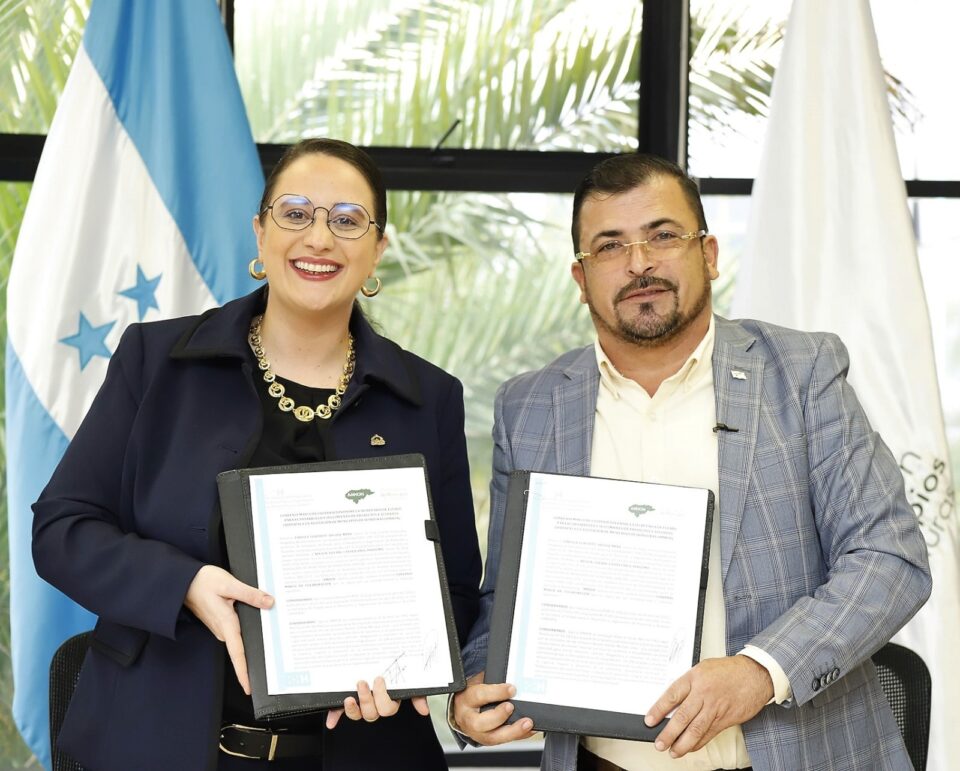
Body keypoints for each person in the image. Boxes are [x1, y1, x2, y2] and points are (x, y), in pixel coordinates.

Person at [451, 153, 931, 771]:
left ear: (708, 253)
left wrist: (760, 671)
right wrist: (472, 689)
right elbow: (505, 599)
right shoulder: (530, 406)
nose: (639, 263)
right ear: (581, 277)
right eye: (610, 246)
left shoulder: (801, 374)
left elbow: (889, 559)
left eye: (663, 236)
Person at [32, 138, 482, 771]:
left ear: (378, 249)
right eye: (295, 213)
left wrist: (402, 663)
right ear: (260, 232)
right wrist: (184, 584)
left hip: (363, 750)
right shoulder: (156, 362)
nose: (319, 238)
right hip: (158, 743)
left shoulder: (429, 397)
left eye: (348, 220)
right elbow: (62, 530)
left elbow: (455, 588)